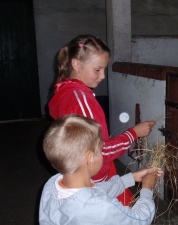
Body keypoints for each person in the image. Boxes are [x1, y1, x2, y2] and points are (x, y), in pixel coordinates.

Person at [48, 34, 156, 205]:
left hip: (90, 174)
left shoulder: (65, 90)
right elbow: (101, 151)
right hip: (95, 179)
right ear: (76, 64)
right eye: (97, 69)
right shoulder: (80, 100)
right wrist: (133, 133)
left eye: (104, 69)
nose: (103, 76)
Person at [39, 115, 163, 225]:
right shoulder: (101, 208)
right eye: (101, 149)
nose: (103, 153)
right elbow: (139, 220)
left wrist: (129, 178)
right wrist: (147, 189)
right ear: (91, 158)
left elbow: (95, 191)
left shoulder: (51, 186)